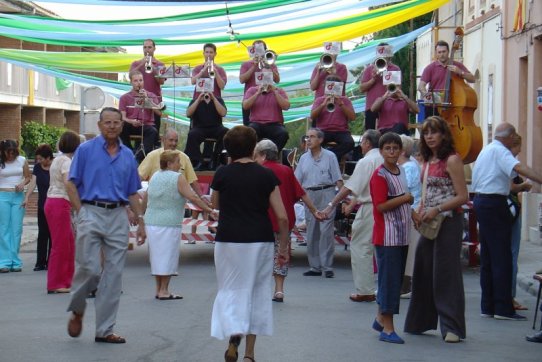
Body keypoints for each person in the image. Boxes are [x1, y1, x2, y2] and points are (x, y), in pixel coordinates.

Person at [65, 107, 146, 344]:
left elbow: (132, 192)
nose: (112, 126)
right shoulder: (86, 150)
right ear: (100, 125)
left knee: (114, 274)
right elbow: (71, 184)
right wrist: (81, 213)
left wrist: (140, 220)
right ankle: (78, 309)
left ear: (122, 126)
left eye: (116, 122)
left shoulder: (128, 155)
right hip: (90, 210)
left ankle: (105, 329)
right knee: (89, 269)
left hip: (118, 215)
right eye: (107, 122)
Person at [210, 126, 289, 362]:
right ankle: (249, 355)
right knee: (256, 292)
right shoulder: (266, 175)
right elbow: (282, 217)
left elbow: (216, 204)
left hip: (228, 239)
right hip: (259, 239)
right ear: (253, 147)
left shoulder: (222, 173)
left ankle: (234, 330)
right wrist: (283, 248)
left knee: (231, 289)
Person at [404, 116, 468, 343]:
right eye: (426, 133)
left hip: (449, 221)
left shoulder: (452, 160)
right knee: (422, 269)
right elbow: (426, 192)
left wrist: (437, 209)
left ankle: (453, 328)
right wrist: (421, 211)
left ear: (443, 134)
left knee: (446, 273)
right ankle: (419, 321)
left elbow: (462, 196)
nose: (430, 136)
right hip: (429, 220)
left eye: (434, 132)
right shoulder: (428, 160)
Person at [471, 122, 542, 321]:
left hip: (482, 201)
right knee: (502, 256)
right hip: (494, 202)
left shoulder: (487, 150)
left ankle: (488, 304)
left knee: (488, 257)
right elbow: (519, 169)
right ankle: (503, 307)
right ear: (509, 137)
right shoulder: (501, 151)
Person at [253, 139, 321, 303]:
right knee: (281, 254)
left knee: (259, 257)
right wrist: (314, 210)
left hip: (261, 221)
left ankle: (259, 290)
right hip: (283, 221)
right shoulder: (286, 170)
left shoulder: (257, 170)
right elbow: (301, 193)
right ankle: (279, 290)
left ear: (262, 155)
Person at [142, 150, 215, 300]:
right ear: (169, 163)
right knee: (168, 256)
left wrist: (141, 216)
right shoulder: (178, 178)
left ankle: (158, 289)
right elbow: (192, 196)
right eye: (177, 161)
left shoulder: (155, 176)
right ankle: (164, 290)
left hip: (152, 221)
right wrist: (208, 209)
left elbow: (147, 197)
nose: (180, 165)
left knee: (157, 257)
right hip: (169, 222)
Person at [323, 130, 383, 301]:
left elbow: (349, 187)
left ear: (368, 143)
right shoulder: (384, 159)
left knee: (361, 247)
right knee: (381, 249)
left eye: (362, 141)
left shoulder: (367, 161)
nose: (361, 146)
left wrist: (331, 205)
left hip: (370, 207)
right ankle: (377, 288)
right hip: (386, 207)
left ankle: (365, 290)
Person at [370, 132, 413, 344]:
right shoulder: (380, 175)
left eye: (395, 148)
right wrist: (404, 199)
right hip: (387, 236)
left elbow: (405, 199)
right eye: (388, 148)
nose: (392, 152)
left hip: (402, 234)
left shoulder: (401, 171)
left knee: (394, 280)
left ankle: (380, 318)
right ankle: (387, 328)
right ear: (381, 151)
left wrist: (413, 213)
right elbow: (380, 206)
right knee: (389, 281)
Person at [295, 128, 343, 278]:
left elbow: (338, 179)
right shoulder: (303, 158)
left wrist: (341, 200)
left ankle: (327, 266)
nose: (308, 140)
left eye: (312, 137)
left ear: (320, 140)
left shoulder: (330, 156)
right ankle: (315, 266)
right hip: (309, 195)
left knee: (326, 231)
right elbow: (297, 181)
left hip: (327, 192)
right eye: (307, 137)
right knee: (312, 230)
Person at [45, 131, 80, 294]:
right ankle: (56, 283)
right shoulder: (66, 161)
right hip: (60, 202)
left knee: (67, 243)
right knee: (61, 245)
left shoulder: (57, 159)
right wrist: (78, 206)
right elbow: (68, 184)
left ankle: (65, 281)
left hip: (53, 201)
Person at [138, 128, 205, 199]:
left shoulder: (184, 158)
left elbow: (193, 181)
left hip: (178, 201)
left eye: (176, 141)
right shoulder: (152, 156)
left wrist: (202, 196)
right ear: (163, 140)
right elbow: (139, 176)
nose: (174, 143)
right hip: (156, 198)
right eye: (171, 140)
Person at [417, 40, 475, 116]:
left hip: (454, 105)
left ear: (448, 52)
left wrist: (460, 72)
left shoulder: (457, 65)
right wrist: (426, 95)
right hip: (435, 106)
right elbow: (421, 86)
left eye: (444, 52)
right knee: (432, 124)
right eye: (439, 52)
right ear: (436, 53)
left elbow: (473, 79)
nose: (442, 55)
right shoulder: (430, 68)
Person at [508, 134, 531, 311]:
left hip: (503, 209)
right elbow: (511, 187)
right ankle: (510, 296)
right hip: (510, 209)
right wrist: (524, 185)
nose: (520, 150)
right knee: (511, 253)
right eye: (518, 147)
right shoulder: (510, 163)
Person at [0, 139, 31, 273]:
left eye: (13, 152)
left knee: (16, 229)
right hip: (3, 195)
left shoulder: (22, 160)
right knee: (4, 228)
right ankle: (4, 261)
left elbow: (28, 177)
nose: (11, 155)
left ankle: (15, 261)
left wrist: (22, 184)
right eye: (8, 152)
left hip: (18, 196)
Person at [397, 135, 421, 298]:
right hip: (406, 210)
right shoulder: (405, 166)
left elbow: (409, 191)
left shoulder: (409, 167)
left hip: (410, 211)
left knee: (410, 251)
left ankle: (407, 285)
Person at [310, 75, 355, 161]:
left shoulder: (345, 100)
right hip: (323, 130)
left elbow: (352, 117)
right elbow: (312, 116)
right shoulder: (319, 100)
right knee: (314, 142)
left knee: (349, 143)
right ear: (325, 86)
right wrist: (323, 105)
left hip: (341, 131)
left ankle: (330, 156)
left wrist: (341, 104)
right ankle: (329, 158)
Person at [23, 144, 53, 271]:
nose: (39, 161)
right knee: (42, 233)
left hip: (54, 204)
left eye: (41, 159)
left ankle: (51, 262)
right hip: (42, 205)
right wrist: (27, 197)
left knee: (53, 234)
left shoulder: (56, 166)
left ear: (48, 158)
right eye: (38, 159)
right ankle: (40, 262)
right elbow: (33, 183)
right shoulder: (37, 167)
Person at [130, 39, 166, 144]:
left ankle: (154, 150)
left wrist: (153, 67)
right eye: (145, 47)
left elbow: (161, 81)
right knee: (140, 128)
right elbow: (130, 76)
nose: (147, 50)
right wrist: (142, 63)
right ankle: (139, 152)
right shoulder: (136, 63)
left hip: (155, 100)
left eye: (149, 47)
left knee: (154, 128)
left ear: (154, 48)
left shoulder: (160, 64)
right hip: (139, 99)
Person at [119, 70, 161, 161]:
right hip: (131, 124)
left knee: (153, 131)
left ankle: (139, 157)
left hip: (146, 125)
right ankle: (129, 152)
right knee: (121, 127)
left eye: (141, 80)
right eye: (136, 81)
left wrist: (146, 99)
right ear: (131, 82)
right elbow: (122, 117)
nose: (139, 83)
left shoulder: (151, 95)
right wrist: (131, 121)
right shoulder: (124, 98)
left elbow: (159, 112)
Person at [360, 43, 401, 130]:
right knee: (370, 135)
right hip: (371, 107)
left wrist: (386, 77)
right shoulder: (369, 69)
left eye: (385, 55)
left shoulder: (395, 69)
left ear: (389, 56)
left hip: (389, 107)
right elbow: (362, 88)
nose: (383, 57)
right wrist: (374, 79)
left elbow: (398, 90)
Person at [239, 40, 280, 126]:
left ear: (265, 50)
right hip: (250, 98)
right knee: (248, 128)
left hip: (267, 99)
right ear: (252, 50)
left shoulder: (271, 64)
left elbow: (277, 80)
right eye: (256, 49)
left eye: (261, 49)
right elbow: (242, 80)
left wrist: (269, 65)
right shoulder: (246, 64)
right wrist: (254, 66)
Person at [185, 91, 228, 171]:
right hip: (199, 128)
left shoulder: (218, 100)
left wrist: (214, 99)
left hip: (216, 127)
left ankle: (216, 159)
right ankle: (198, 161)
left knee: (226, 132)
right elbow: (188, 114)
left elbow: (223, 113)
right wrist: (198, 100)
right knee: (192, 134)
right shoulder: (194, 101)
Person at [242, 83, 290, 152]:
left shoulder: (279, 90)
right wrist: (257, 93)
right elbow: (245, 106)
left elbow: (286, 106)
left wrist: (275, 92)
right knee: (249, 132)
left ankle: (272, 156)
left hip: (274, 124)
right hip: (256, 123)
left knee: (283, 134)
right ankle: (254, 156)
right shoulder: (252, 90)